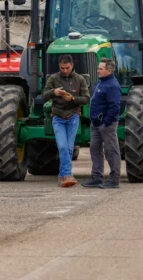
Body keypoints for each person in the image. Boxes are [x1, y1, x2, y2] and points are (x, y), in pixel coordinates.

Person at [42, 55, 90, 188]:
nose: (64, 70)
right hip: (57, 117)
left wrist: (73, 99)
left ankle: (63, 175)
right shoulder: (53, 78)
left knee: (69, 148)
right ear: (59, 66)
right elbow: (44, 95)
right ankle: (67, 175)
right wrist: (54, 92)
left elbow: (86, 98)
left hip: (73, 116)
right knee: (62, 146)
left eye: (67, 68)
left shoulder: (80, 79)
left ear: (72, 66)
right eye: (62, 68)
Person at [82, 58, 122, 189]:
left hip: (106, 125)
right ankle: (96, 177)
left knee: (111, 151)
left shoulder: (112, 86)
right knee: (95, 149)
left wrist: (106, 122)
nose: (98, 70)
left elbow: (115, 107)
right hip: (95, 124)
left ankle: (114, 180)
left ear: (109, 70)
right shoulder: (99, 83)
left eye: (100, 68)